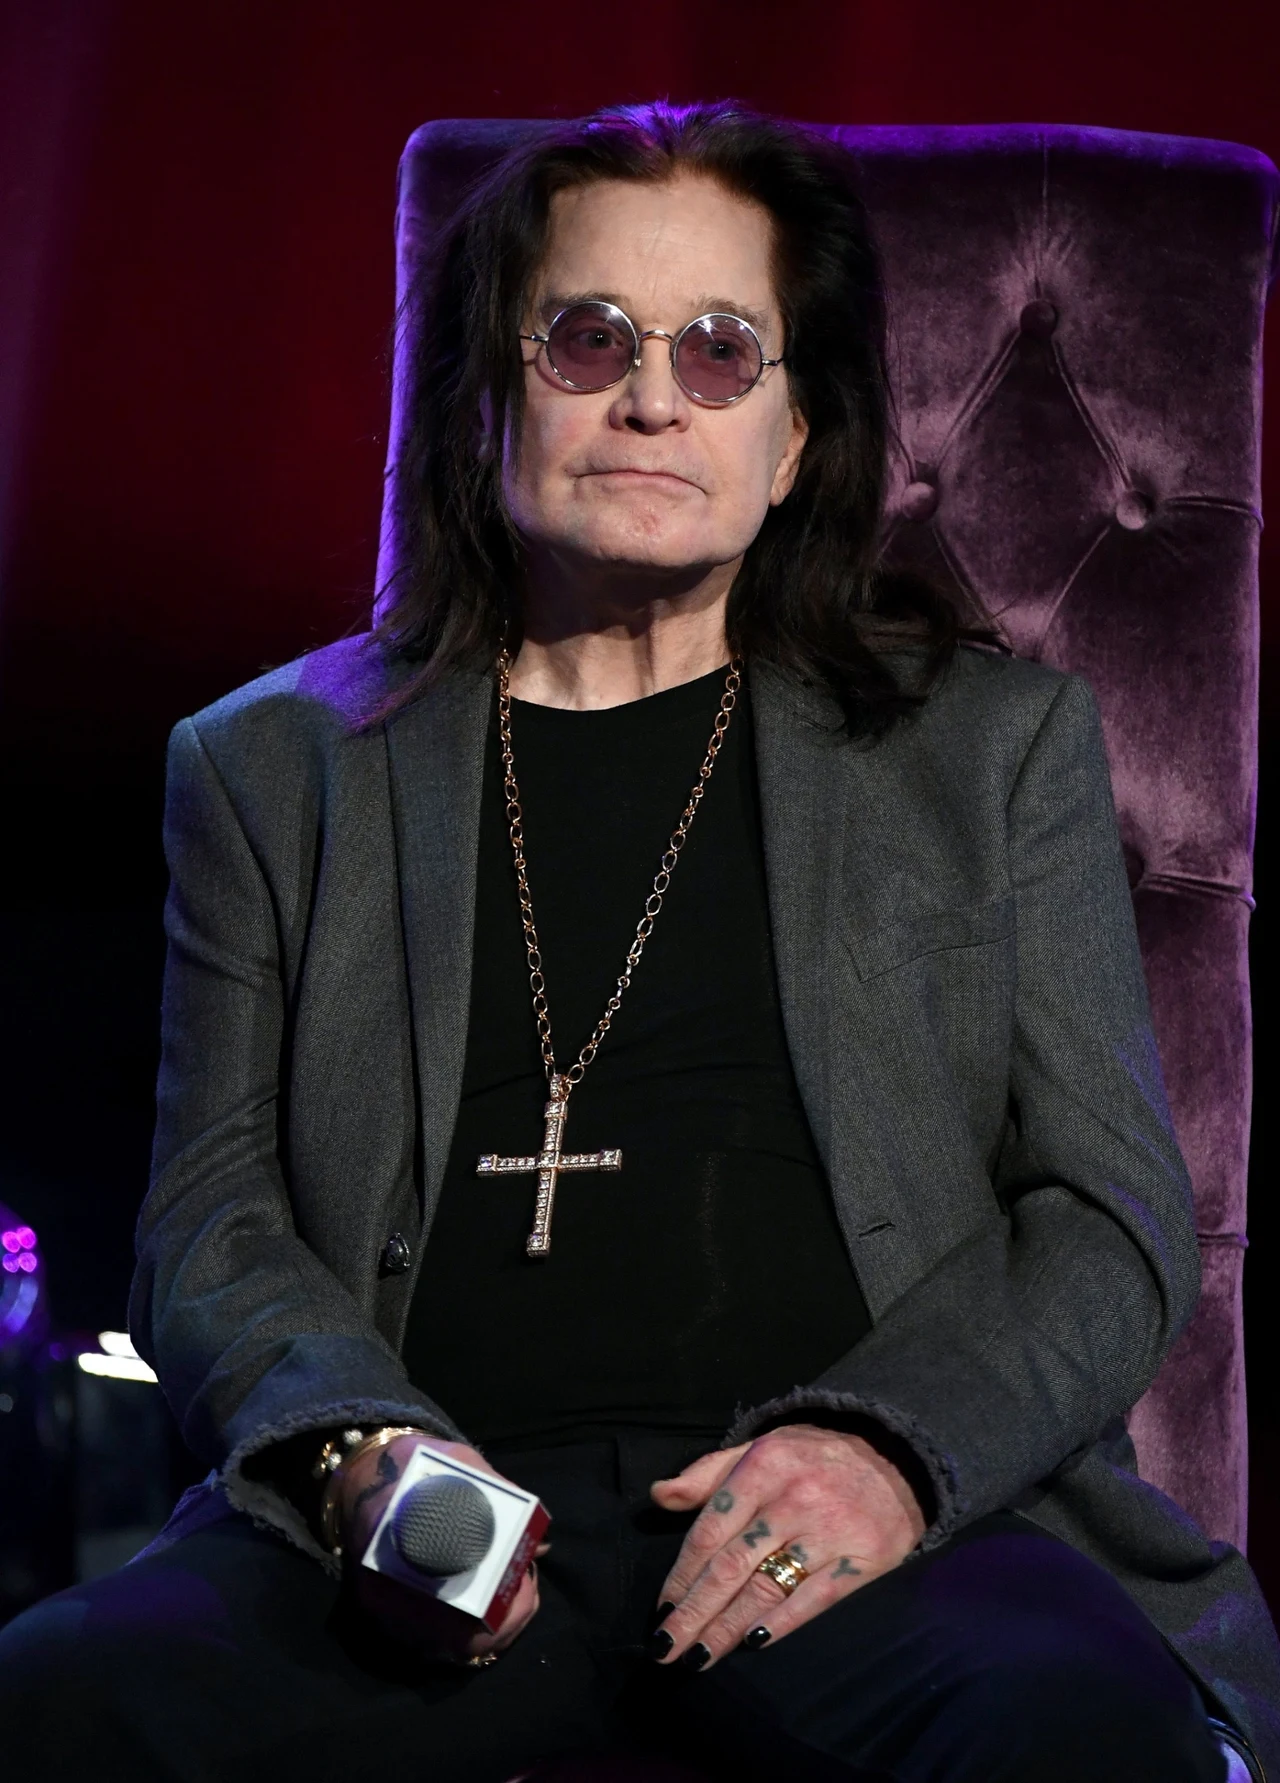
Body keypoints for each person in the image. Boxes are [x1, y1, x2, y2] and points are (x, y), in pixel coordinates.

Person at [1, 99, 1277, 1783]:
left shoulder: (989, 750)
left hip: (866, 1538)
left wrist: (887, 1454)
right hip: (433, 1535)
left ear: (796, 439)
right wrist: (362, 1454)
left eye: (722, 350)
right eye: (590, 337)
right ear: (491, 397)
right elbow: (209, 1219)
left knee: (1076, 1730)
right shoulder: (268, 769)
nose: (654, 397)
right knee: (53, 1700)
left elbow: (1113, 1220)